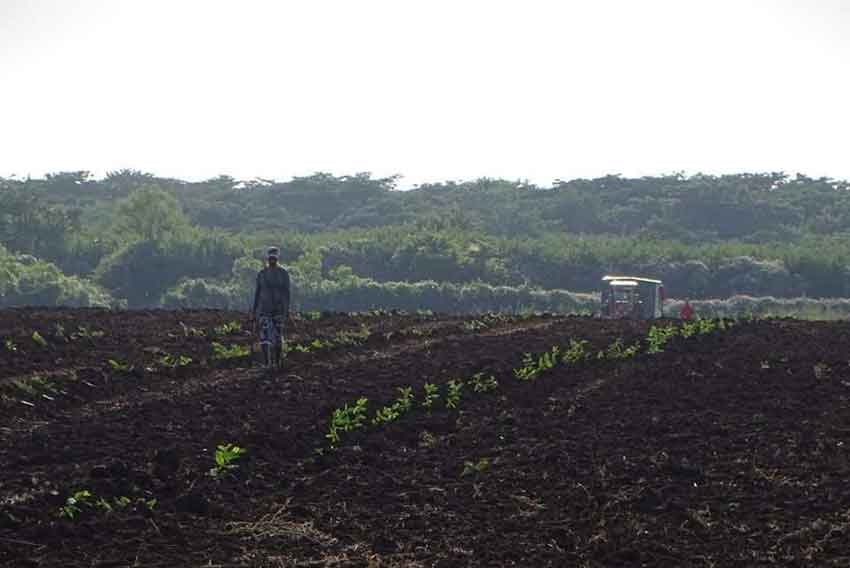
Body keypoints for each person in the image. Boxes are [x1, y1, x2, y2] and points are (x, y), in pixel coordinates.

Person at [252, 246, 291, 369]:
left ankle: (277, 363)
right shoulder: (262, 274)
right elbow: (257, 293)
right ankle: (267, 363)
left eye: (274, 257)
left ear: (277, 258)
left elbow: (287, 293)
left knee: (278, 336)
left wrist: (286, 310)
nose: (272, 260)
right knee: (264, 338)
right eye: (270, 257)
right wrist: (254, 312)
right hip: (264, 309)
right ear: (267, 258)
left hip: (278, 310)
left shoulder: (283, 274)